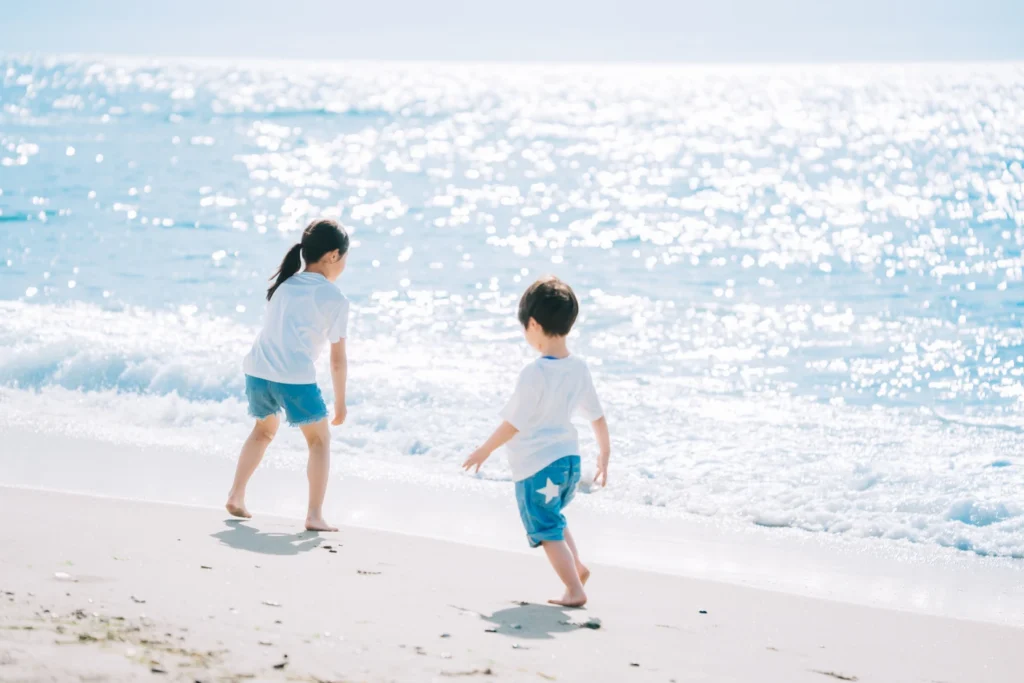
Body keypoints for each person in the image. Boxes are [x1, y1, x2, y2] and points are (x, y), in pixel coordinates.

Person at [463, 276, 611, 607]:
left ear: (533, 324)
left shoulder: (535, 373)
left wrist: (484, 450)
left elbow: (513, 423)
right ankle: (578, 568)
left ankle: (574, 589)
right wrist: (604, 455)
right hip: (570, 464)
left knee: (545, 528)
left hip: (538, 466)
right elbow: (597, 417)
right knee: (554, 518)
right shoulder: (579, 369)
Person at [226, 218, 350, 532]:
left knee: (263, 431)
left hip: (257, 370)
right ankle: (314, 515)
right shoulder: (334, 298)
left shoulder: (285, 284)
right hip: (293, 378)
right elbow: (337, 361)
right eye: (345, 258)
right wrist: (340, 404)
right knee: (319, 442)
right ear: (333, 256)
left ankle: (236, 494)